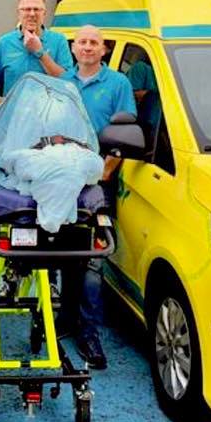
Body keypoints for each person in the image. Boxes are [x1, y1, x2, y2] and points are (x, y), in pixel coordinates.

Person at [57, 25, 137, 370]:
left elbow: (126, 132)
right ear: (73, 49)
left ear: (104, 49)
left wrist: (105, 171)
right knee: (64, 250)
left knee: (92, 259)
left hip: (98, 183)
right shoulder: (62, 83)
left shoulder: (118, 84)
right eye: (82, 42)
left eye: (94, 43)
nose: (88, 47)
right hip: (64, 178)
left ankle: (89, 333)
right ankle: (65, 320)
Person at [0, 0, 73, 96]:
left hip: (48, 106)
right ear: (18, 13)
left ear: (44, 14)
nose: (32, 14)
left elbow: (67, 82)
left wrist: (40, 53)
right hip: (14, 106)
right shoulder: (4, 43)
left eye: (37, 9)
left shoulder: (59, 41)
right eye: (27, 9)